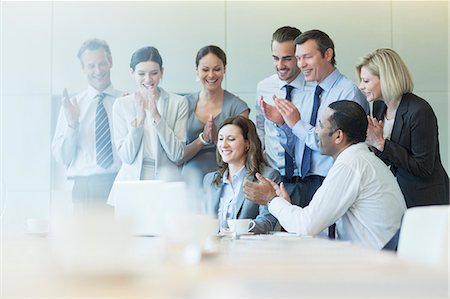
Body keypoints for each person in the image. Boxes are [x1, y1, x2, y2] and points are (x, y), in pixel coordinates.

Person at [244, 101, 407, 250]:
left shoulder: (350, 165)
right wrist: (284, 204)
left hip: (375, 268)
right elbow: (317, 224)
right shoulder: (359, 159)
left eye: (321, 126)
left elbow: (306, 226)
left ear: (338, 136)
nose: (317, 132)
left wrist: (271, 200)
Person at [259, 29, 369, 208]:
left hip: (332, 179)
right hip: (305, 182)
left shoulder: (347, 92)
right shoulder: (309, 92)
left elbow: (336, 143)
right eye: (298, 57)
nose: (301, 64)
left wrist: (296, 123)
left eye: (307, 57)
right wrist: (283, 124)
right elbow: (300, 143)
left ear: (328, 54)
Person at [357, 48, 449, 208]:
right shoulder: (379, 106)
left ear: (386, 79)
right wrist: (373, 145)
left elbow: (423, 167)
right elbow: (389, 157)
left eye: (366, 81)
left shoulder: (419, 111)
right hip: (396, 194)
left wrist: (381, 143)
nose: (360, 86)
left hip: (425, 199)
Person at [107, 46, 188, 205]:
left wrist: (156, 116)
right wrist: (139, 119)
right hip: (131, 183)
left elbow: (177, 154)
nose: (148, 79)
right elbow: (127, 156)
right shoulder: (121, 105)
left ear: (162, 72)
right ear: (132, 74)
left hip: (166, 182)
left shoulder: (178, 103)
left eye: (154, 73)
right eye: (141, 74)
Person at [52, 38, 122, 209]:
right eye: (91, 66)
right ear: (83, 68)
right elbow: (62, 157)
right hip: (85, 188)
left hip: (120, 184)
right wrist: (72, 125)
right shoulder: (72, 105)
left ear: (110, 62)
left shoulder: (125, 101)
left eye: (102, 63)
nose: (97, 70)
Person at [255, 26, 313, 207]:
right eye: (275, 58)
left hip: (308, 179)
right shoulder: (264, 87)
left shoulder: (314, 88)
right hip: (274, 177)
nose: (280, 65)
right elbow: (261, 129)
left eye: (287, 59)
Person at [180, 45, 249, 182]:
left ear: (225, 69)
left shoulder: (238, 107)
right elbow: (176, 156)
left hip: (227, 175)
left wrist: (218, 138)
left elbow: (244, 151)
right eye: (205, 70)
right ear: (197, 70)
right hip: (190, 177)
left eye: (217, 69)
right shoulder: (183, 104)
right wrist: (203, 140)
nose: (211, 75)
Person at [203, 116, 280, 234]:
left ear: (247, 143)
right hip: (214, 247)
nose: (223, 145)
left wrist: (237, 228)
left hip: (247, 248)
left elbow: (267, 221)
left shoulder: (267, 176)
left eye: (231, 139)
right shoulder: (209, 179)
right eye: (220, 139)